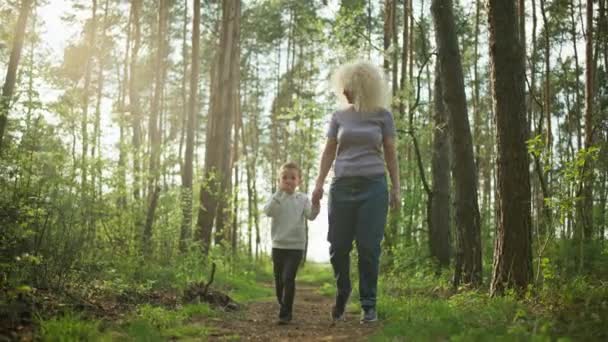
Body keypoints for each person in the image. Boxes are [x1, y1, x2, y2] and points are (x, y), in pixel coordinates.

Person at [311, 60, 400, 324]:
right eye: (343, 87)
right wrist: (318, 184)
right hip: (341, 186)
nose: (345, 91)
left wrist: (396, 187)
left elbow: (390, 152)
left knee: (368, 247)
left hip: (373, 186)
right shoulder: (339, 116)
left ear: (364, 87)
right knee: (338, 247)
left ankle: (368, 305)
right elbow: (329, 151)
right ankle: (343, 289)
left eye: (350, 87)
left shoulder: (383, 115)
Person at [264, 161, 320, 325]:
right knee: (279, 281)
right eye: (284, 178)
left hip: (295, 247)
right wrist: (278, 194)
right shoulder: (276, 198)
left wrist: (316, 204)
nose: (288, 181)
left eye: (292, 178)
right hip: (278, 245)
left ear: (299, 181)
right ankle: (283, 304)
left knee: (289, 278)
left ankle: (286, 313)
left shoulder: (302, 198)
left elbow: (311, 215)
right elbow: (268, 211)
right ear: (279, 180)